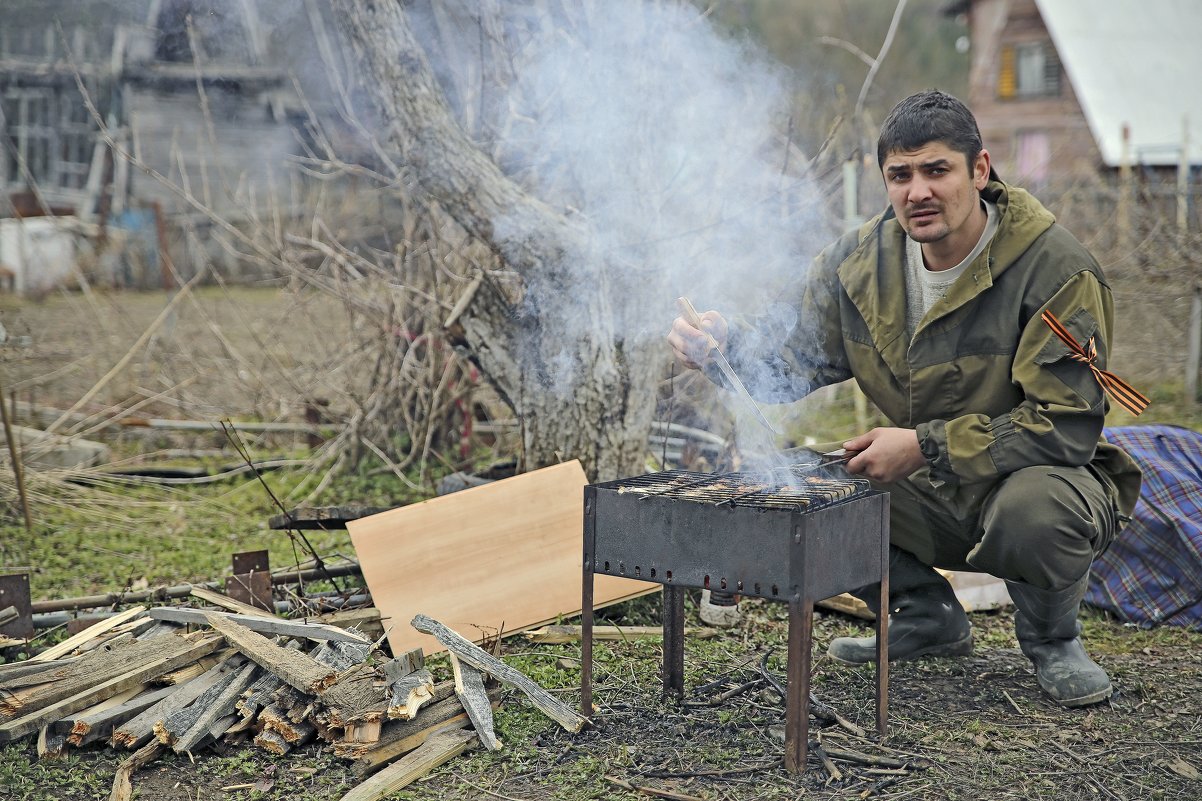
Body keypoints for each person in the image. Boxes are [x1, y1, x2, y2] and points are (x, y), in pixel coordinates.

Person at [667, 90, 1144, 708]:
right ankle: (923, 617)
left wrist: (921, 445)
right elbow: (788, 362)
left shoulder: (1053, 268)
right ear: (885, 181)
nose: (918, 191)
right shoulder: (861, 264)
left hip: (1040, 481)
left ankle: (1054, 639)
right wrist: (726, 347)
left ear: (979, 169)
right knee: (808, 488)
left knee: (1033, 510)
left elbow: (1065, 427)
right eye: (901, 175)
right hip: (934, 488)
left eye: (936, 170)